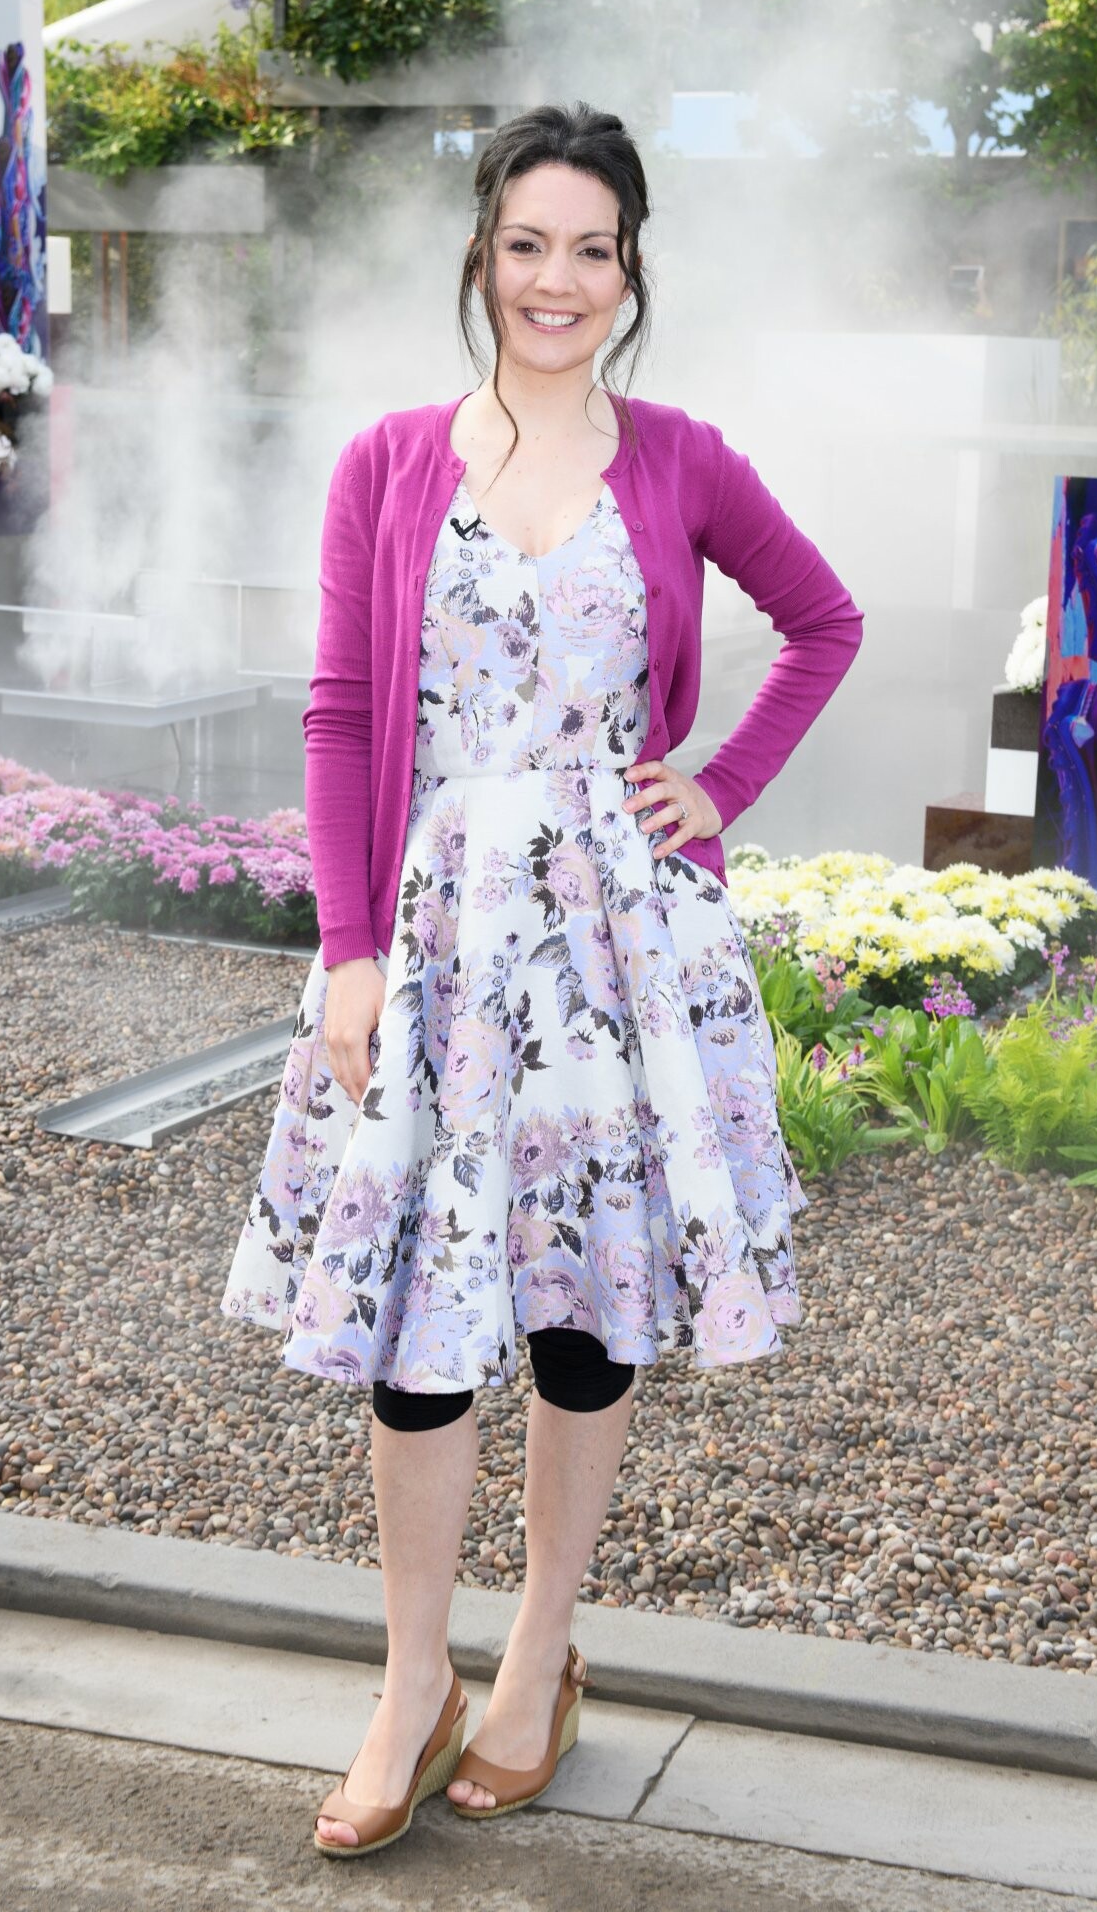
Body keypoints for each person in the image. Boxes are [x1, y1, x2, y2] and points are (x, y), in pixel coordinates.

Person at [219, 98, 864, 1856]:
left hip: (617, 949)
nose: (556, 280)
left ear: (630, 270)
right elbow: (344, 715)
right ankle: (408, 1684)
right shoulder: (387, 463)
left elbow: (826, 622)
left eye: (592, 249)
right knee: (417, 1334)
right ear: (482, 254)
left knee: (584, 1315)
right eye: (527, 244)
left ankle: (537, 1662)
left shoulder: (682, 459)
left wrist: (720, 784)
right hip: (435, 944)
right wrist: (349, 951)